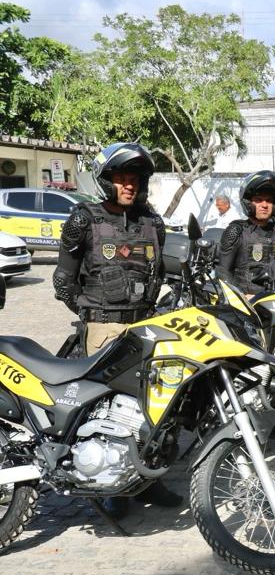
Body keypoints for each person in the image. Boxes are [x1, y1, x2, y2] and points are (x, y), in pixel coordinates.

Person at [51, 141, 181, 517]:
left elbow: (162, 272)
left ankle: (149, 481)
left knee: (154, 406)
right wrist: (91, 314)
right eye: (122, 178)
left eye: (135, 180)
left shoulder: (152, 223)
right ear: (107, 180)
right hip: (103, 330)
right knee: (103, 409)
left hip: (145, 329)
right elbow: (63, 279)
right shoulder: (85, 219)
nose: (129, 186)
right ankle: (111, 487)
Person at [217, 170, 275, 294]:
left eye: (269, 200)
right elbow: (223, 272)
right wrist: (239, 300)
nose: (264, 205)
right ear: (248, 203)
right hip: (249, 305)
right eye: (258, 200)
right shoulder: (236, 231)